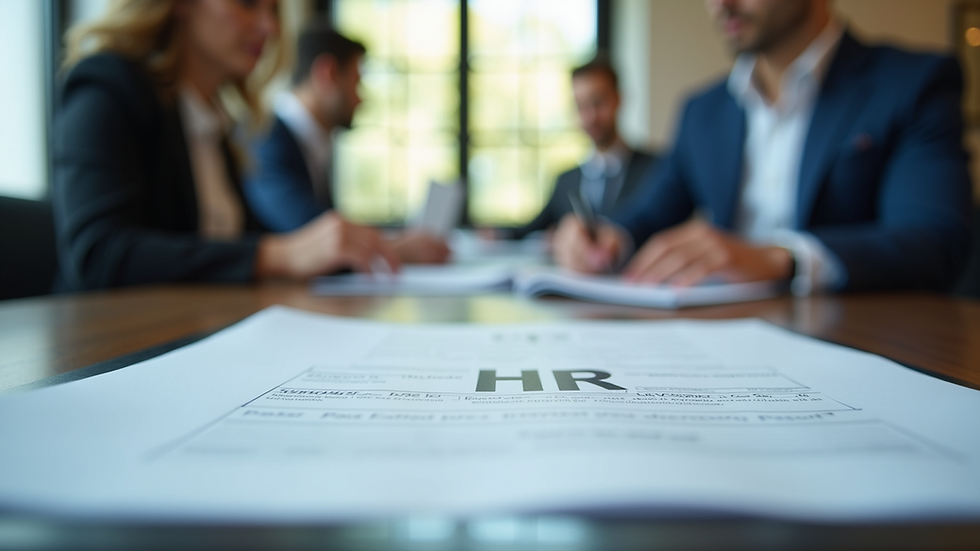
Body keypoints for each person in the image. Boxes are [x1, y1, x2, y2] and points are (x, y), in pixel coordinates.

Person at [553, 0, 973, 293]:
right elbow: (647, 215)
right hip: (721, 344)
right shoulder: (702, 111)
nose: (722, 2)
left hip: (861, 343)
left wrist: (782, 259)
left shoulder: (910, 84)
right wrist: (607, 238)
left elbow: (934, 242)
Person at [53, 0, 400, 292]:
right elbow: (99, 255)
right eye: (248, 2)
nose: (270, 28)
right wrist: (279, 255)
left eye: (274, 10)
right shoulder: (109, 86)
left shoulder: (214, 121)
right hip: (109, 350)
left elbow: (233, 246)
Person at [245, 24, 450, 264]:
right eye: (357, 82)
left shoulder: (311, 143)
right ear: (328, 74)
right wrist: (396, 248)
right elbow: (313, 234)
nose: (362, 99)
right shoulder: (265, 139)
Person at [507, 57, 657, 239]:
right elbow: (530, 228)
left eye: (598, 102)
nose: (590, 116)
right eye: (580, 106)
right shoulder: (565, 181)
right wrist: (497, 233)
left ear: (618, 99)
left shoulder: (656, 170)